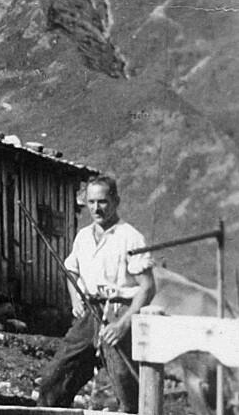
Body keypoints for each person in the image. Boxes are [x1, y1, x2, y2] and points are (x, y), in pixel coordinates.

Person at [37, 174, 155, 413]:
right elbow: (71, 270)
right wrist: (75, 299)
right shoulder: (83, 236)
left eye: (102, 201)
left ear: (116, 201)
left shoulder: (130, 237)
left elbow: (148, 287)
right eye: (91, 202)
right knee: (54, 378)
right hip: (89, 314)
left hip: (119, 313)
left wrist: (122, 325)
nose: (96, 208)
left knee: (125, 384)